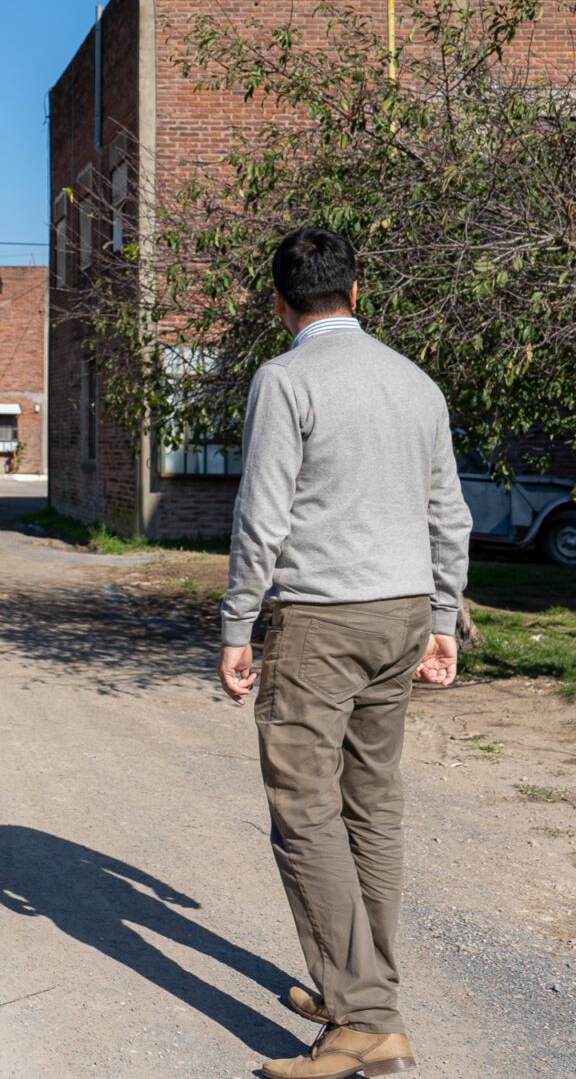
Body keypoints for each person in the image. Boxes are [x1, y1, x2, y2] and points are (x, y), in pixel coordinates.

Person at [219, 227, 472, 1079]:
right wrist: (444, 616)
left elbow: (262, 515)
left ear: (280, 303)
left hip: (321, 621)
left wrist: (237, 626)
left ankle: (365, 1018)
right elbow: (449, 512)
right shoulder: (415, 382)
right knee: (371, 805)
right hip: (402, 616)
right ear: (356, 293)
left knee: (305, 812)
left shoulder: (285, 379)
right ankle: (363, 991)